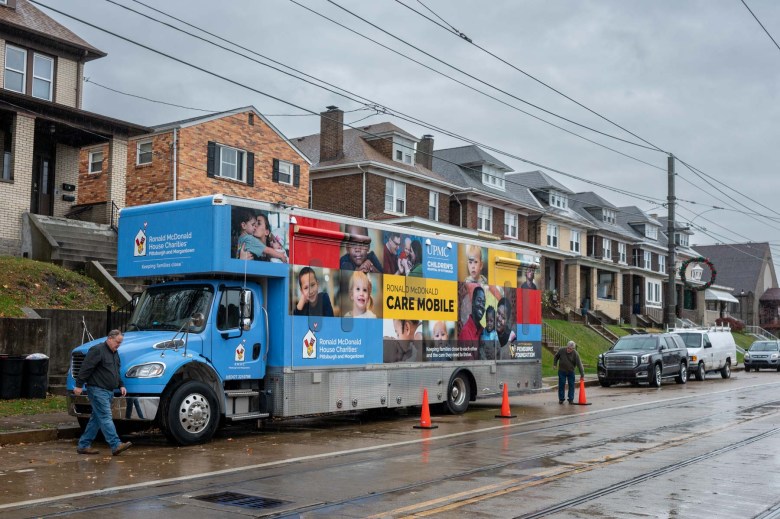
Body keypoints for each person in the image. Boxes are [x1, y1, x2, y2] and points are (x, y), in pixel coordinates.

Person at [73, 330, 132, 456]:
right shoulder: (97, 350)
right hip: (97, 389)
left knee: (97, 419)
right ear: (110, 339)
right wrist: (79, 385)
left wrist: (121, 385)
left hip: (108, 391)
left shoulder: (115, 353)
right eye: (117, 342)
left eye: (120, 343)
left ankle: (83, 445)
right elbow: (86, 368)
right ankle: (115, 444)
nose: (119, 345)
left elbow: (116, 371)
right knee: (105, 417)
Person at [458, 285, 485, 360]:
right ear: (472, 302)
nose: (482, 305)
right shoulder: (465, 333)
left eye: (484, 303)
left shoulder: (483, 331)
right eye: (479, 301)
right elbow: (471, 367)